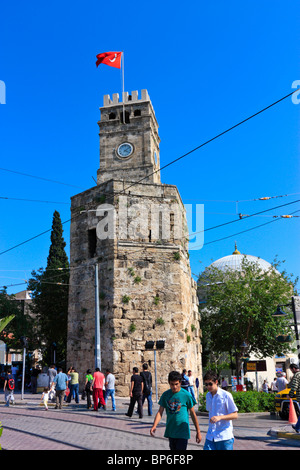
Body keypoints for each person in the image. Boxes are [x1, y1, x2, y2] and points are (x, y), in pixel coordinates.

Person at [150, 370, 201, 450]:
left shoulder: (186, 395)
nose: (174, 387)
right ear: (169, 383)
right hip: (171, 431)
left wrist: (198, 431)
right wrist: (154, 425)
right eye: (172, 384)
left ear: (180, 382)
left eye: (176, 384)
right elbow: (160, 412)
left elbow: (192, 413)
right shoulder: (166, 395)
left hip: (182, 431)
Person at [203, 370, 238, 450]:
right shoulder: (208, 396)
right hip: (211, 436)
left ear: (216, 382)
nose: (208, 386)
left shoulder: (226, 395)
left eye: (210, 384)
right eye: (206, 384)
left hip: (224, 436)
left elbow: (235, 415)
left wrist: (220, 417)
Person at [288, 363, 300, 433]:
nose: (291, 371)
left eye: (291, 370)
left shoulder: (296, 375)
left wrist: (290, 394)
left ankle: (297, 427)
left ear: (294, 369)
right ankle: (297, 427)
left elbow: (294, 386)